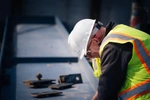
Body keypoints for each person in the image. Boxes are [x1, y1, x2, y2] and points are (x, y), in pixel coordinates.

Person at [68, 19, 150, 100]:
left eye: (88, 52)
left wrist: (102, 93)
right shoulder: (118, 32)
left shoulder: (112, 47)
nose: (90, 57)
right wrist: (99, 92)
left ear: (95, 40)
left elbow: (107, 89)